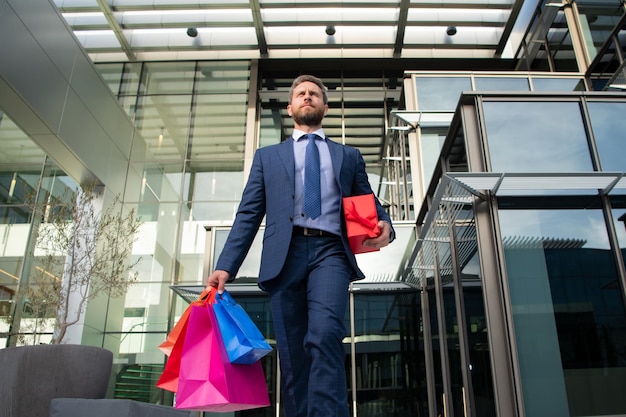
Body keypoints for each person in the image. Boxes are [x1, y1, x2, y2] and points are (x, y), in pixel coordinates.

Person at [206, 74, 395, 417]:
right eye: (300, 94)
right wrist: (225, 265)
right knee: (293, 352)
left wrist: (385, 224)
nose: (307, 97)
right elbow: (248, 214)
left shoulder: (348, 155)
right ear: (291, 107)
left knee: (324, 335)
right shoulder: (268, 157)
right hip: (285, 255)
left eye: (314, 94)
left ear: (324, 105)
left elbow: (368, 200)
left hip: (330, 253)